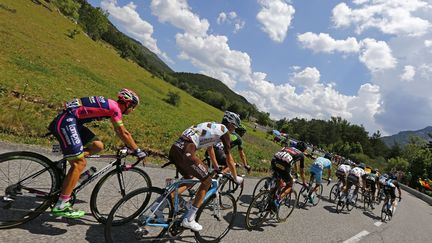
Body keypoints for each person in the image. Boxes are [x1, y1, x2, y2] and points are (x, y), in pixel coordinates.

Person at [48, 89, 146, 218]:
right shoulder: (115, 109)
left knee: (97, 146)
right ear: (127, 103)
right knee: (79, 163)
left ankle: (73, 171)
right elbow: (123, 132)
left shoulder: (109, 104)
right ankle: (62, 205)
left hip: (72, 121)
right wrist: (137, 150)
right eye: (133, 107)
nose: (132, 110)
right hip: (67, 122)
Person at [168, 111, 244, 231]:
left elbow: (210, 149)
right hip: (186, 151)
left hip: (175, 148)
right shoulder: (224, 131)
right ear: (230, 124)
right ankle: (189, 219)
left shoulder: (213, 126)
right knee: (207, 181)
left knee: (190, 178)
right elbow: (229, 158)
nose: (233, 130)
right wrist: (235, 177)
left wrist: (216, 168)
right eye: (234, 127)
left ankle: (159, 206)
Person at [270, 141, 308, 208]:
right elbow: (302, 171)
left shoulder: (288, 147)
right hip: (284, 166)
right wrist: (304, 182)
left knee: (279, 179)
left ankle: (270, 195)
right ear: (304, 150)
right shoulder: (301, 155)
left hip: (274, 161)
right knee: (290, 185)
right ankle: (277, 200)